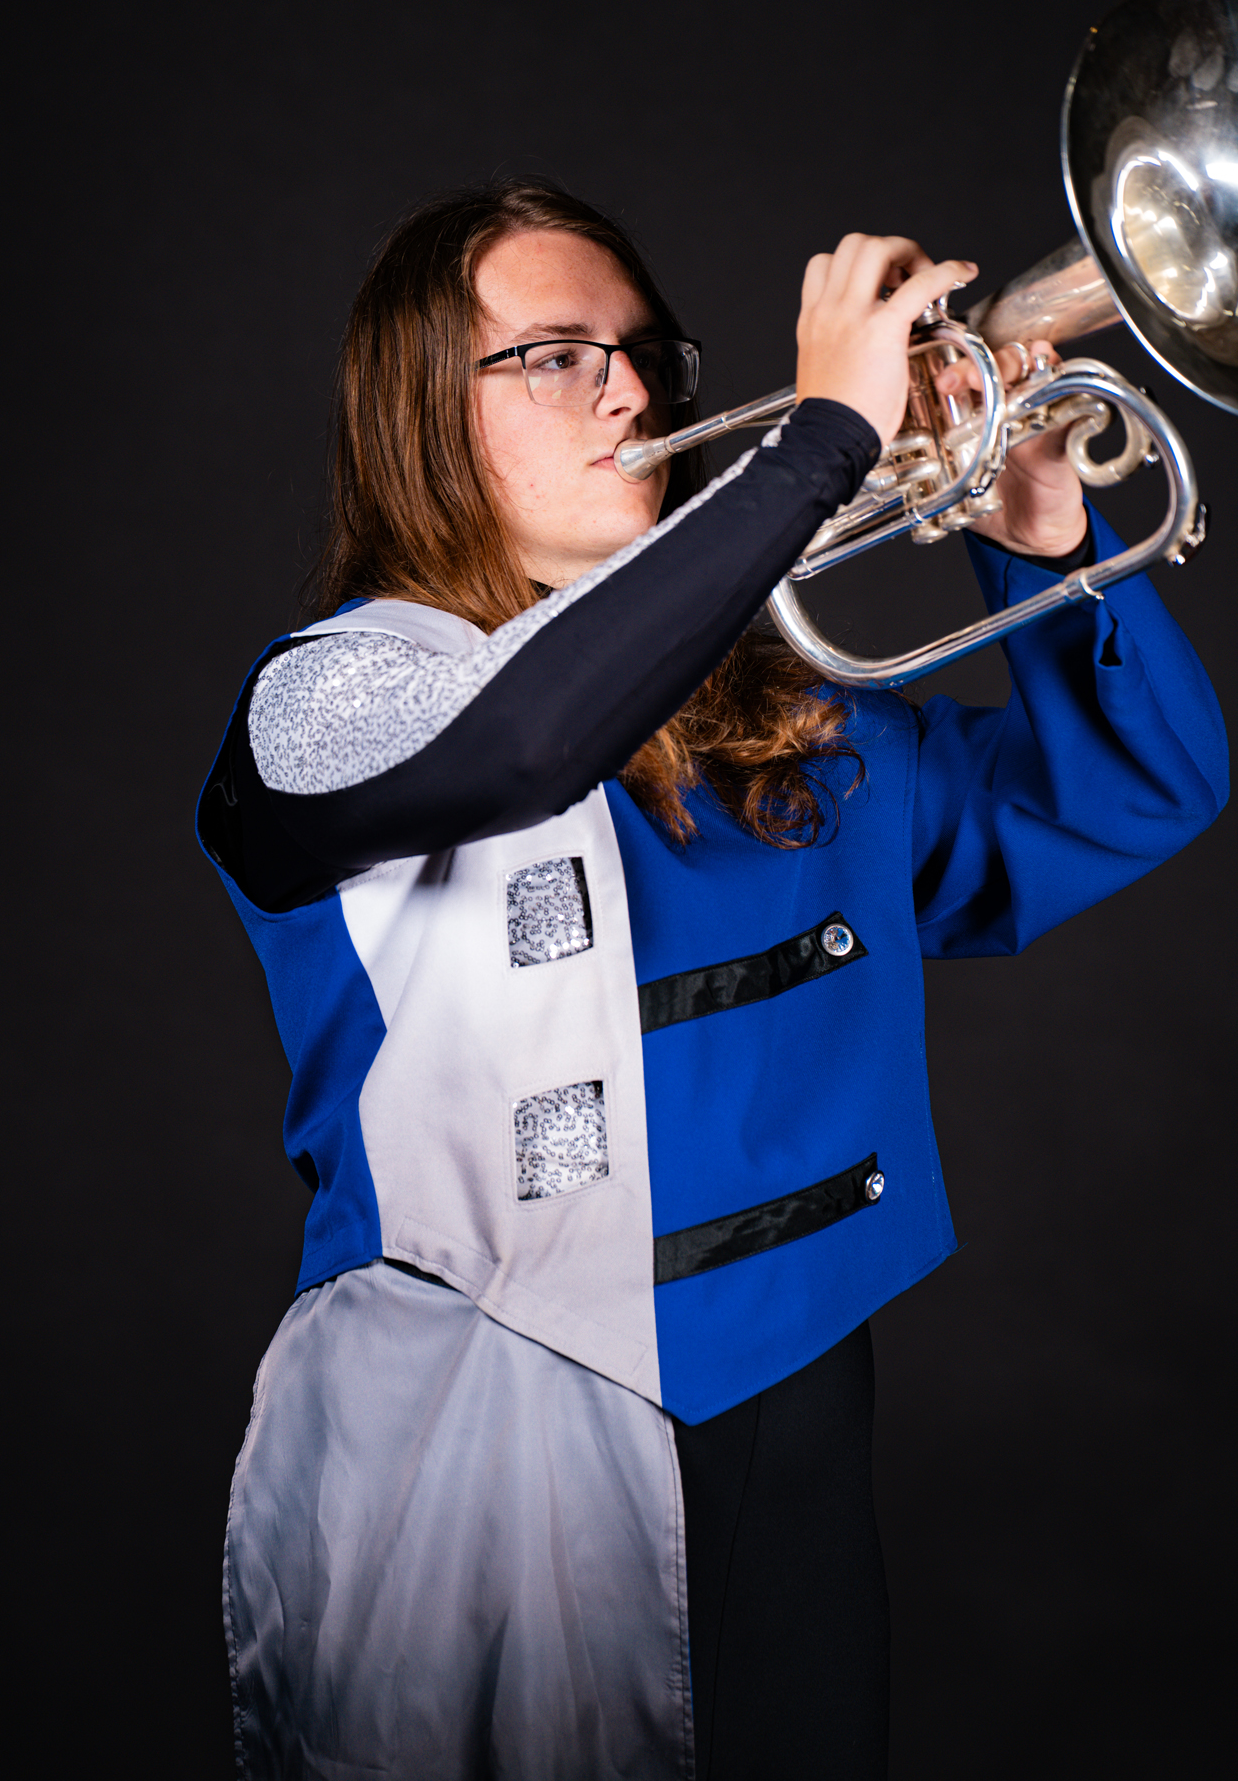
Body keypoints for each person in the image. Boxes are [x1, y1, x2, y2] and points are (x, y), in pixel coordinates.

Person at [197, 179, 1227, 1780]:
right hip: (473, 1420)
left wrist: (1046, 548)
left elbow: (1131, 795)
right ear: (416, 410)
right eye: (554, 355)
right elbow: (521, 743)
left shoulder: (790, 719)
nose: (626, 391)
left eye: (642, 353)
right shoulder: (330, 699)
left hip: (793, 1434)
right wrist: (817, 443)